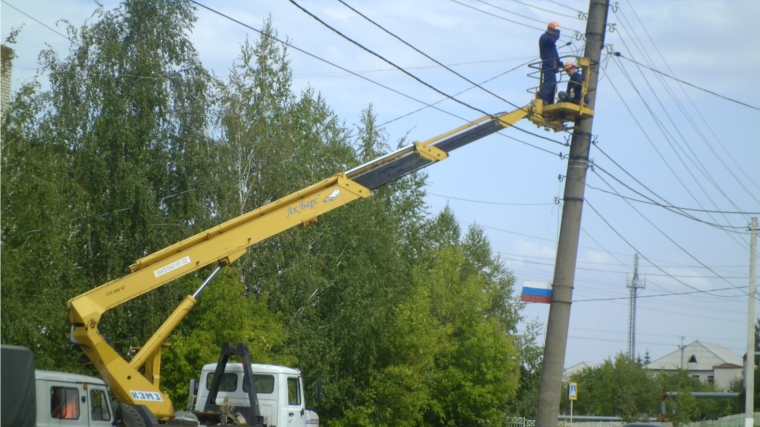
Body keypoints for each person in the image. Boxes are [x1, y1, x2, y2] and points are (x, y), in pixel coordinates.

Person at [538, 21, 563, 105]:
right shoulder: (544, 37)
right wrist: (557, 33)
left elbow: (555, 54)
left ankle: (550, 102)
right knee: (548, 84)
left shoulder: (550, 41)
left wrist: (560, 63)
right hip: (548, 65)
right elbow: (552, 40)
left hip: (552, 66)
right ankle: (544, 100)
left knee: (553, 86)